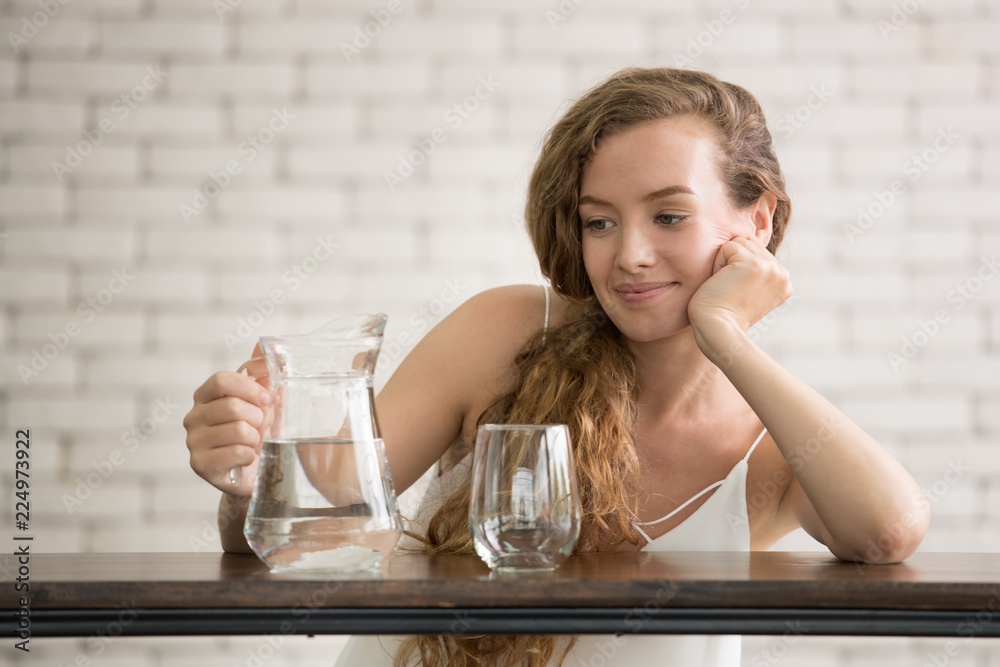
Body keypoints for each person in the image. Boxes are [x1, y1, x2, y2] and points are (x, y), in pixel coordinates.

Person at [184, 67, 929, 666]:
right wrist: (246, 482)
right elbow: (312, 527)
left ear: (757, 219)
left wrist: (725, 335)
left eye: (669, 216)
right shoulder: (506, 330)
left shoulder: (770, 440)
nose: (630, 254)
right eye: (599, 220)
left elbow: (890, 532)